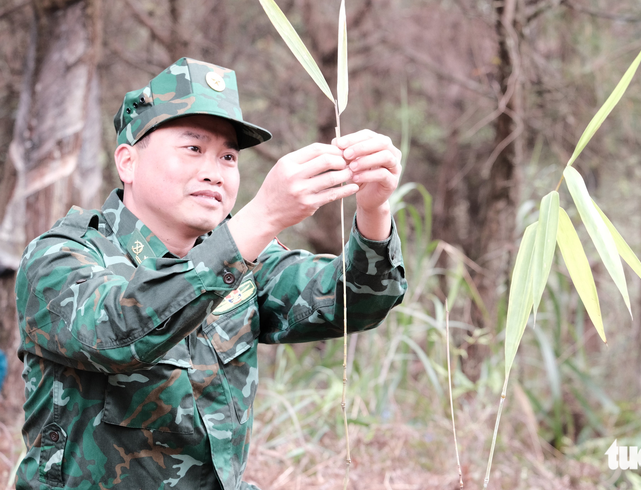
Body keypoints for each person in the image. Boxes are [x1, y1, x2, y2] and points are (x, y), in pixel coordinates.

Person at [14, 58, 407, 490]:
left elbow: (357, 303)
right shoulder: (59, 258)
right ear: (128, 162)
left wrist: (373, 208)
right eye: (193, 149)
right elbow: (118, 331)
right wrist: (263, 216)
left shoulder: (240, 259)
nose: (213, 172)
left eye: (227, 156)